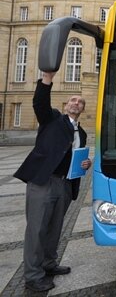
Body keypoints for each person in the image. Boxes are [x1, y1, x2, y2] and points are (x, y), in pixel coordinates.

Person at [14, 71, 92, 292]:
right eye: (73, 100)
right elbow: (40, 102)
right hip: (44, 181)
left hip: (66, 184)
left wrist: (84, 164)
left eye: (80, 102)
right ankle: (33, 275)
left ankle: (48, 263)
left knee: (55, 228)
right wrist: (46, 79)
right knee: (37, 229)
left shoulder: (82, 133)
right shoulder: (53, 119)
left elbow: (74, 156)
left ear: (83, 109)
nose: (76, 103)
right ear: (67, 104)